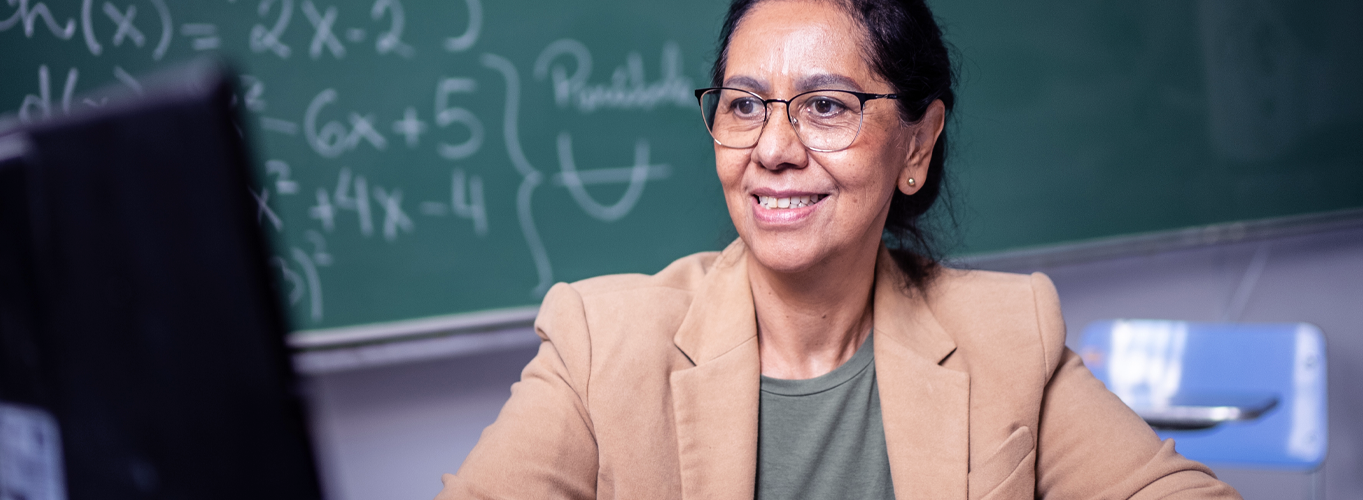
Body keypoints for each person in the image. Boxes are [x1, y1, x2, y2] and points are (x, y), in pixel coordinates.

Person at [437, 0, 1241, 498]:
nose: (774, 148)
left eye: (825, 106)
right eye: (744, 105)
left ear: (918, 145)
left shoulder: (1007, 333)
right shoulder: (599, 343)